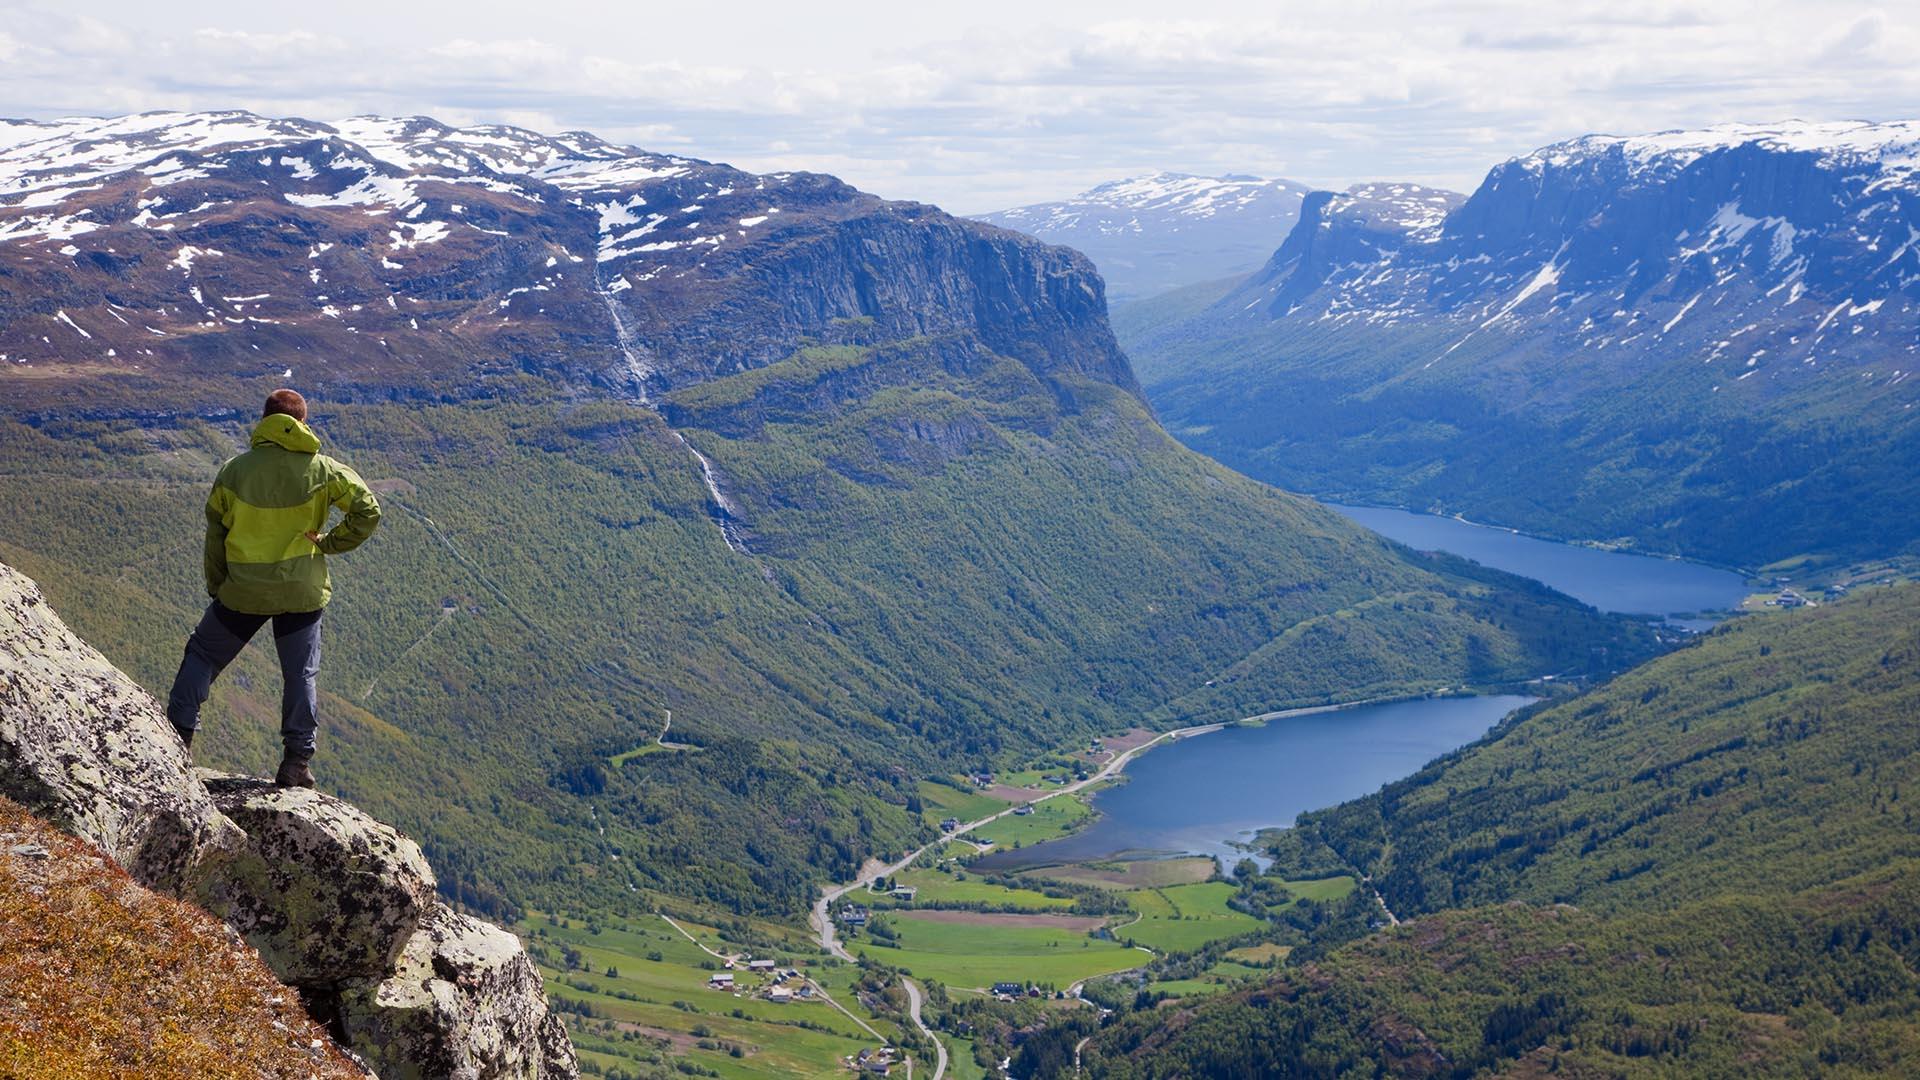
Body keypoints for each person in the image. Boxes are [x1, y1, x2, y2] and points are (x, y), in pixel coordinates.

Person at [166, 389, 381, 787]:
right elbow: (368, 510)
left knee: (203, 655)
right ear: (302, 422)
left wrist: (218, 585)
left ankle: (177, 741)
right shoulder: (324, 470)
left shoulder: (235, 471)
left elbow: (216, 535)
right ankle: (296, 763)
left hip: (243, 590)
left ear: (264, 420)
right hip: (300, 591)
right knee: (300, 673)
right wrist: (331, 543)